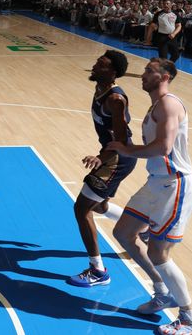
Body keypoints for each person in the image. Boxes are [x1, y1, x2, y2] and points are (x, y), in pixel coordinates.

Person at [107, 59, 192, 335]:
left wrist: (128, 150)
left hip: (176, 186)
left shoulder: (168, 104)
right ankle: (162, 290)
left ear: (164, 76)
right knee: (124, 233)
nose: (143, 74)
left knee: (158, 252)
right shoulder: (156, 105)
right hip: (157, 183)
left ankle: (191, 318)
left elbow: (163, 147)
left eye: (149, 71)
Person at [67, 50, 137, 288]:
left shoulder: (115, 99)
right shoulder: (101, 89)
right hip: (112, 155)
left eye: (101, 64)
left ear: (113, 72)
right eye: (96, 61)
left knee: (81, 208)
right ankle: (143, 229)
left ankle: (98, 271)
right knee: (100, 205)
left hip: (117, 158)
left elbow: (122, 140)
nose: (95, 66)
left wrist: (101, 158)